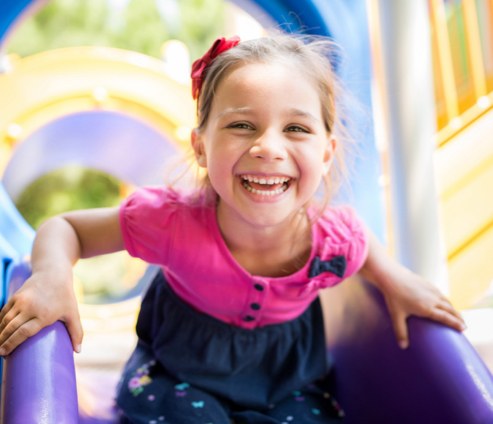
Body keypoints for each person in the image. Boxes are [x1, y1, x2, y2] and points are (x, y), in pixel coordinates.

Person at [0, 33, 465, 423]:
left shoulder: (332, 238)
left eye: (297, 130)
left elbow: (363, 247)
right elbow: (67, 228)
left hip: (287, 382)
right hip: (178, 373)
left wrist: (396, 278)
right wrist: (52, 277)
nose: (268, 147)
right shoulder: (171, 221)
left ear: (326, 152)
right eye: (242, 125)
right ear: (201, 147)